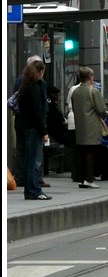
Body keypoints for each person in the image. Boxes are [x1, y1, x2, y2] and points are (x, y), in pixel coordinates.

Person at [13, 60, 52, 200]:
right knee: (34, 160)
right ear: (40, 72)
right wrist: (44, 132)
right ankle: (34, 190)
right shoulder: (35, 87)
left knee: (27, 159)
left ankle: (29, 189)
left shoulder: (24, 86)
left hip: (22, 125)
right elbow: (37, 112)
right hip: (33, 128)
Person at [71, 67, 107, 188]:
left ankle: (82, 178)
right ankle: (89, 179)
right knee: (91, 153)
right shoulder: (94, 91)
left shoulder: (75, 92)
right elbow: (101, 109)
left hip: (80, 126)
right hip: (92, 126)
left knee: (81, 153)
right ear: (90, 77)